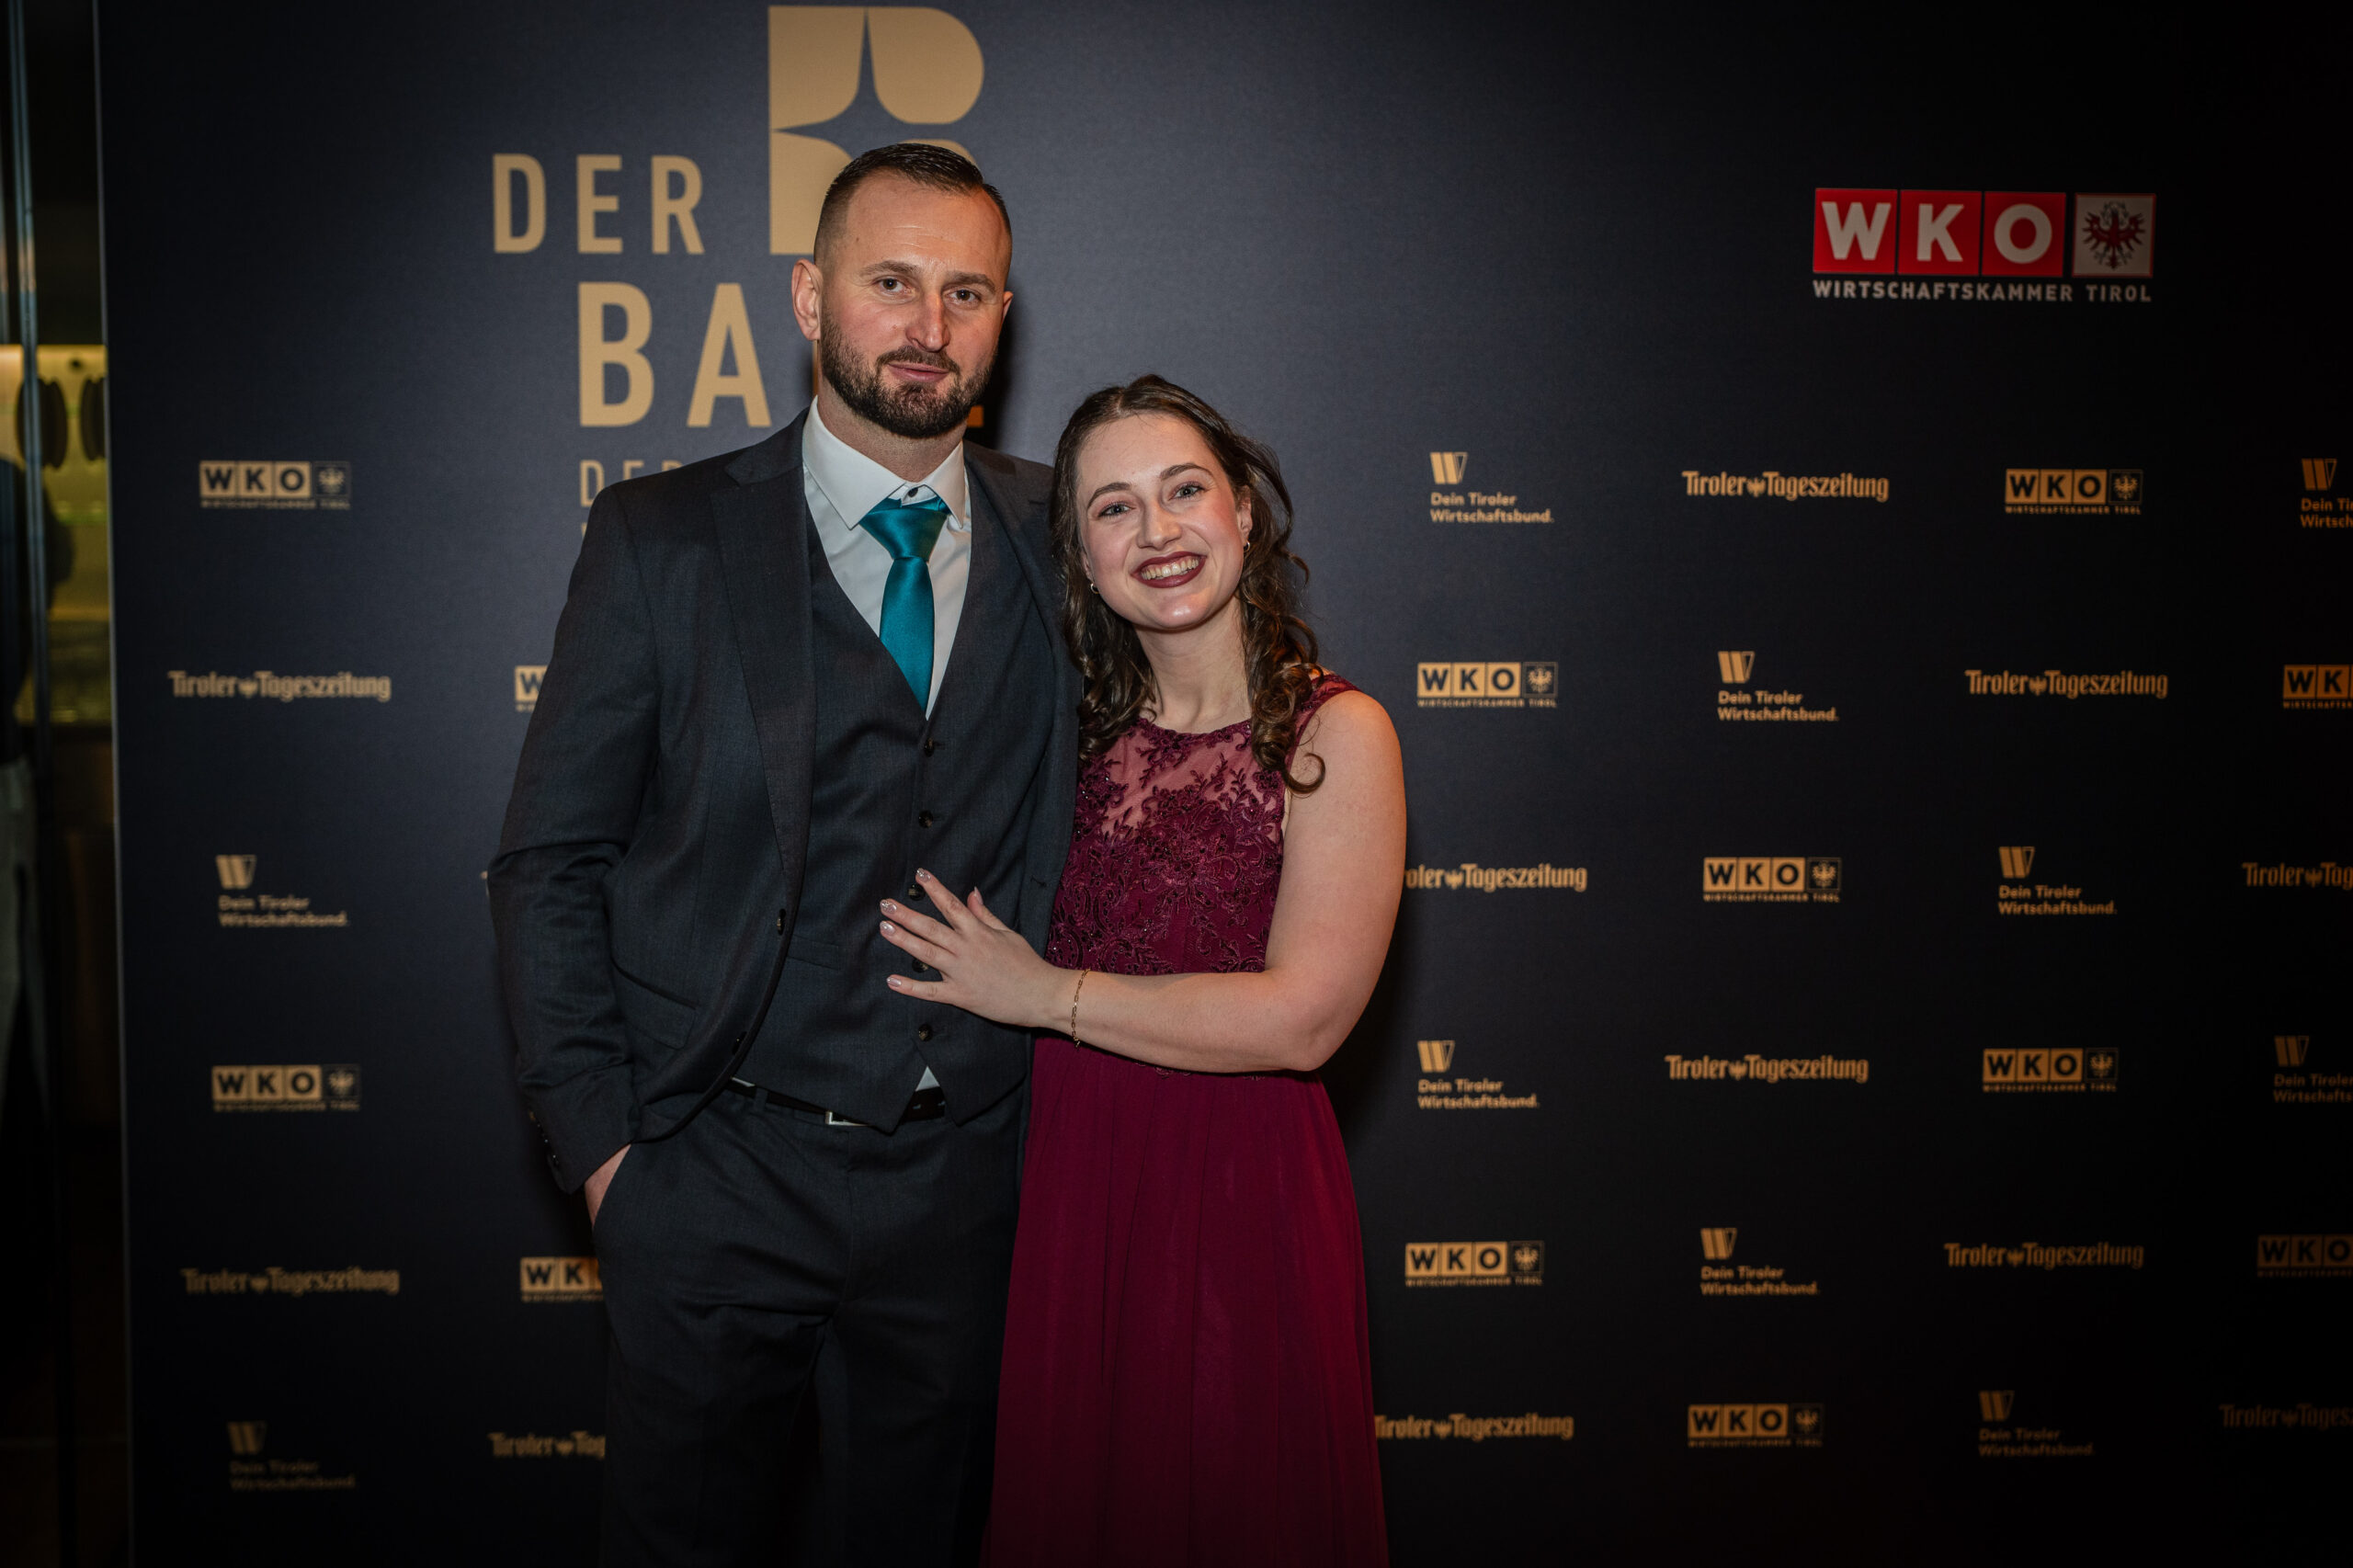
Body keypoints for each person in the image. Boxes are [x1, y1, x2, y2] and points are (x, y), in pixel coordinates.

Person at [487, 142, 1074, 1566]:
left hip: (965, 1187)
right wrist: (611, 1157)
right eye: (891, 283)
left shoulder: (1069, 534)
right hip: (715, 1170)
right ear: (811, 298)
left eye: (967, 292)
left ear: (1003, 317)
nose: (929, 324)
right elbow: (551, 859)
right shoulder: (662, 538)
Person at [871, 376, 1404, 1565]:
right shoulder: (1064, 739)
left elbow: (1306, 1018)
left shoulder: (1336, 734)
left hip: (1240, 1197)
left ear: (1243, 511)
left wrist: (1044, 994)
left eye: (1184, 491)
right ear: (1081, 555)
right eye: (1114, 508)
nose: (1157, 531)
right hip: (1068, 1185)